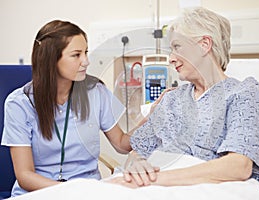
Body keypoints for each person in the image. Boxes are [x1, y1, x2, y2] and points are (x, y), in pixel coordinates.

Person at [109, 7, 259, 188]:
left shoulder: (244, 93)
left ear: (204, 44)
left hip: (200, 187)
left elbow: (238, 167)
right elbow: (136, 152)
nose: (171, 59)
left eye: (177, 47)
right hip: (149, 184)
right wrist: (139, 166)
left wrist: (154, 179)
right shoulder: (171, 100)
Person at [1, 20, 151, 197]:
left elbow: (122, 144)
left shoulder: (97, 91)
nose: (86, 61)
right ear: (51, 59)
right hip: (38, 193)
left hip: (87, 192)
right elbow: (25, 175)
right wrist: (70, 192)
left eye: (86, 52)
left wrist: (152, 117)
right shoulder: (19, 103)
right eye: (76, 55)